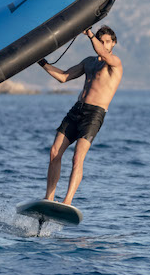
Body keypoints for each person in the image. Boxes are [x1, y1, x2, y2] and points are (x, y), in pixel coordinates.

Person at [36, 25, 122, 205]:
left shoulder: (115, 63)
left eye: (108, 42)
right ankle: (49, 198)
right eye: (102, 41)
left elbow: (105, 55)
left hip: (94, 115)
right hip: (76, 110)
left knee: (77, 157)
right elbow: (63, 77)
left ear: (114, 44)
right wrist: (41, 61)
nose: (105, 45)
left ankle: (67, 201)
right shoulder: (88, 62)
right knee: (54, 153)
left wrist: (89, 34)